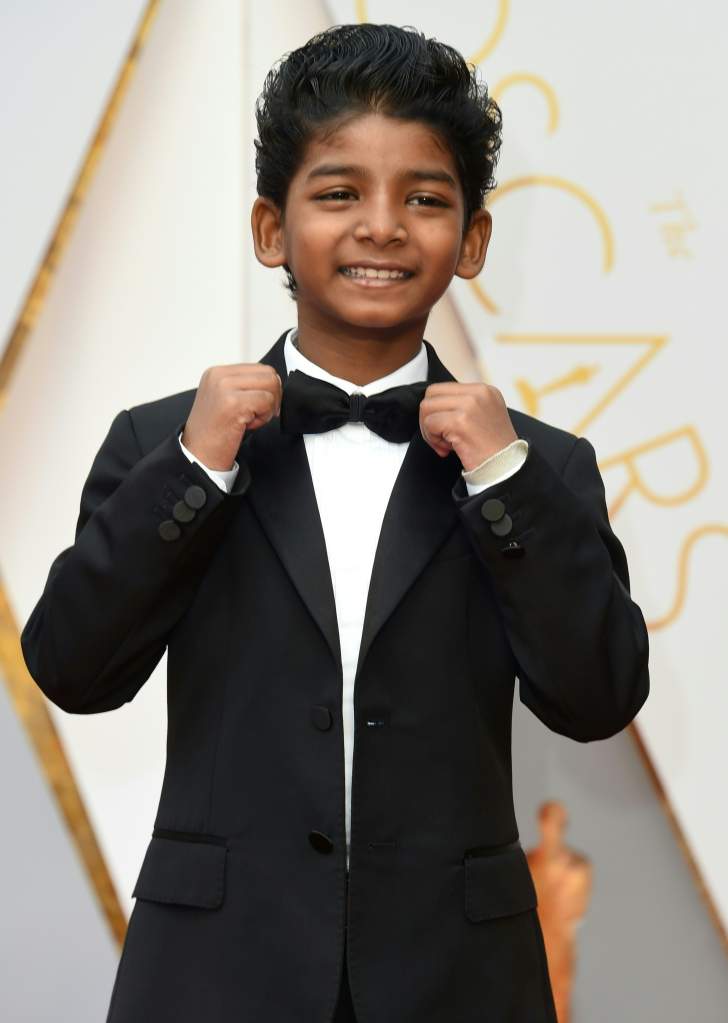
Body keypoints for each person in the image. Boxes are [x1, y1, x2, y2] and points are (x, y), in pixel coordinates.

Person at [20, 22, 650, 1023]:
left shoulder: (538, 466)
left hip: (458, 982)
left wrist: (503, 478)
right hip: (215, 975)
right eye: (339, 193)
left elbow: (596, 695)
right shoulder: (164, 444)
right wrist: (195, 468)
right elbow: (71, 668)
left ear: (472, 241)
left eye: (424, 198)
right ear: (271, 229)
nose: (382, 226)